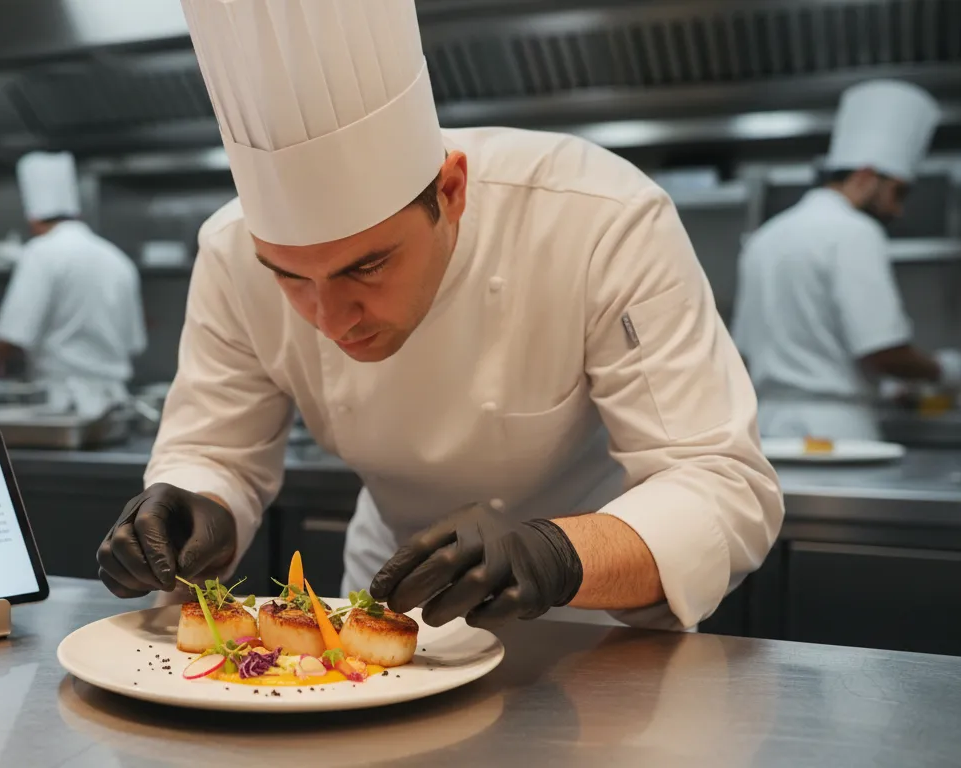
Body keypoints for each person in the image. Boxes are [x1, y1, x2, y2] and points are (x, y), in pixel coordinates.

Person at [96, 0, 782, 632]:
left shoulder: (599, 217)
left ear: (450, 192)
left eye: (366, 267)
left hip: (586, 613)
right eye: (289, 277)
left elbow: (721, 484)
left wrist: (553, 554)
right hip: (383, 601)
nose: (330, 318)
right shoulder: (228, 250)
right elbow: (218, 452)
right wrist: (192, 504)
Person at [732, 80, 961, 440]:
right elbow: (881, 350)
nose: (898, 210)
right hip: (835, 432)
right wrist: (945, 370)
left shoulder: (765, 237)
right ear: (867, 177)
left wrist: (879, 385)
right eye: (897, 192)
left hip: (766, 429)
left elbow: (744, 352)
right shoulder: (855, 231)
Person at [0, 152, 147, 419]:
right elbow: (135, 343)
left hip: (63, 405)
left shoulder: (40, 252)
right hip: (116, 405)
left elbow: (14, 334)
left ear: (33, 218)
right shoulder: (117, 258)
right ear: (76, 213)